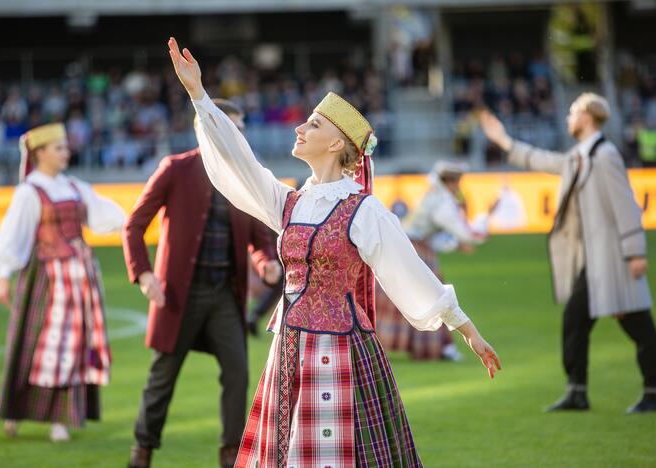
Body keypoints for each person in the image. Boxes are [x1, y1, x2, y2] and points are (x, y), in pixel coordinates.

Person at [168, 37, 501, 466]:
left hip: (342, 349)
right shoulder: (288, 201)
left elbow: (410, 273)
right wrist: (199, 95)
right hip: (289, 347)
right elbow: (239, 162)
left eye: (312, 124)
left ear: (334, 145)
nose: (299, 129)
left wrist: (467, 330)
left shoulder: (364, 211)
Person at [122, 98, 282, 468]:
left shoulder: (249, 178)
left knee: (238, 374)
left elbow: (261, 240)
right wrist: (144, 274)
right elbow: (133, 225)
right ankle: (141, 452)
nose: (238, 136)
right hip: (178, 296)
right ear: (206, 129)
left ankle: (231, 457)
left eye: (241, 129)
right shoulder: (175, 170)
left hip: (226, 295)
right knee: (162, 377)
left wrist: (266, 263)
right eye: (231, 127)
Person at [479, 93, 656, 413]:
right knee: (576, 321)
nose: (568, 117)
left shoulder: (604, 155)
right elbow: (543, 160)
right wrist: (504, 141)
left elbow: (626, 205)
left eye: (573, 111)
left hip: (615, 259)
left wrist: (635, 252)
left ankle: (650, 391)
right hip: (596, 263)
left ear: (588, 116)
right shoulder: (581, 156)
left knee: (638, 326)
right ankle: (577, 391)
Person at [0, 123, 125, 442]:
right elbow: (14, 235)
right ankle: (16, 409)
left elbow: (105, 216)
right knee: (37, 343)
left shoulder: (75, 186)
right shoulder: (30, 192)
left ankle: (61, 418)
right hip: (46, 280)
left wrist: (133, 219)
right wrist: (3, 275)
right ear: (40, 153)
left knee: (74, 345)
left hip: (81, 278)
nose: (66, 152)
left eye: (66, 147)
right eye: (59, 148)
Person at [377, 161, 485, 361]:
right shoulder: (443, 200)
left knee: (410, 296)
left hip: (408, 244)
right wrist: (479, 233)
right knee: (433, 295)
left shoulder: (434, 195)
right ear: (452, 182)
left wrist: (459, 243)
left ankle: (433, 345)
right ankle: (438, 347)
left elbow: (437, 232)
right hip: (416, 248)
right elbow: (462, 232)